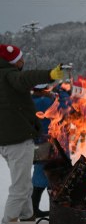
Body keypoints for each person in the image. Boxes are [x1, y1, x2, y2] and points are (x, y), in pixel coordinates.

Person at [0, 44, 64, 223]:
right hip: (17, 141)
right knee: (20, 188)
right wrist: (49, 75)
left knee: (24, 185)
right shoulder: (9, 75)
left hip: (7, 140)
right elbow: (25, 78)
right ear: (12, 61)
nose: (23, 61)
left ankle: (27, 217)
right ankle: (9, 221)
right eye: (20, 58)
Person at [31, 84, 55, 218]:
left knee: (39, 174)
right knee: (53, 176)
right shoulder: (44, 101)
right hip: (49, 142)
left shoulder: (31, 101)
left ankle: (34, 208)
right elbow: (61, 110)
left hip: (37, 142)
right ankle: (56, 211)